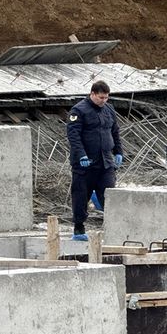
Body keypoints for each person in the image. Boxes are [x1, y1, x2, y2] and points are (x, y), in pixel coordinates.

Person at [66, 80, 123, 241]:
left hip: (105, 162)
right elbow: (73, 136)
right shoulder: (79, 110)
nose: (103, 101)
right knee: (81, 195)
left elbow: (115, 131)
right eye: (100, 98)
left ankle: (114, 228)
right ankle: (79, 228)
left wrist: (118, 151)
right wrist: (81, 155)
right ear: (92, 94)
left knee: (110, 195)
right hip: (86, 164)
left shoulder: (109, 110)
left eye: (106, 98)